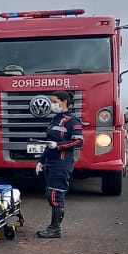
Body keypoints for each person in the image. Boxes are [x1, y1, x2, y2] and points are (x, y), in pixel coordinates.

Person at [36, 90, 84, 239]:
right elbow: (48, 143)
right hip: (50, 163)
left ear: (64, 102)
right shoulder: (55, 120)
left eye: (54, 102)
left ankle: (55, 229)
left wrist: (58, 145)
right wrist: (41, 161)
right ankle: (53, 227)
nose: (51, 104)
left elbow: (78, 140)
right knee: (49, 194)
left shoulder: (72, 121)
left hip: (62, 163)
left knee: (55, 195)